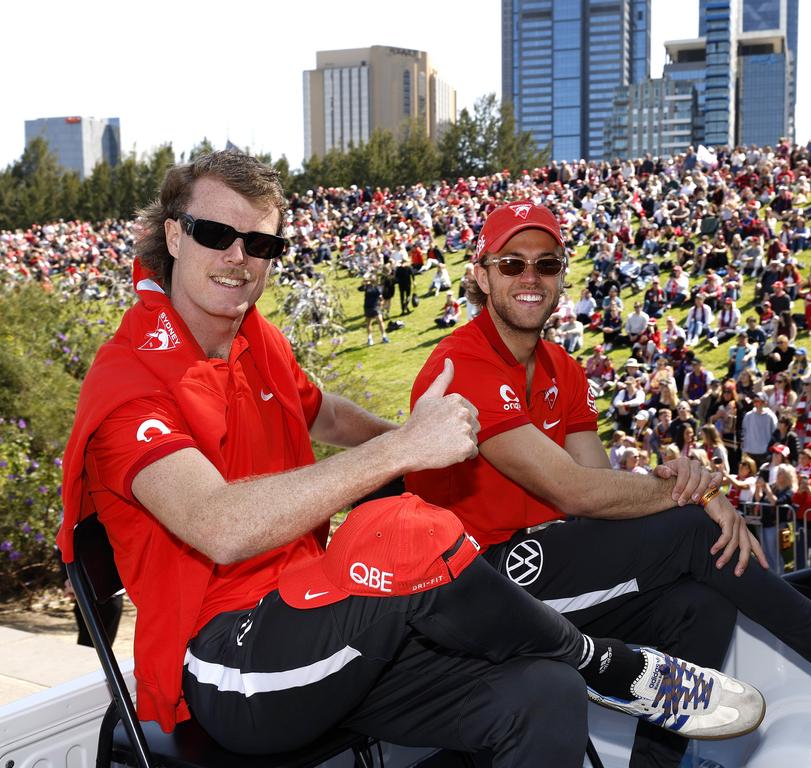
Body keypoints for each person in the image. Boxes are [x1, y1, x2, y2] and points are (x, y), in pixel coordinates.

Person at [56, 154, 759, 767]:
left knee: (541, 694)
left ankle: (582, 669)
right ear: (175, 235)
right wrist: (402, 449)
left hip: (318, 615)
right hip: (226, 664)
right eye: (217, 234)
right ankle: (605, 662)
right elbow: (217, 525)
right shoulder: (127, 385)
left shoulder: (255, 338)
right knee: (395, 532)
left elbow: (320, 410)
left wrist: (407, 441)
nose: (239, 257)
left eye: (261, 241)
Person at [408, 201, 811, 766]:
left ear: (561, 277)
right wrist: (697, 493)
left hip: (538, 566)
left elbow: (602, 485)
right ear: (482, 275)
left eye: (546, 264)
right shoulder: (461, 364)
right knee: (696, 529)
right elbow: (574, 492)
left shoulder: (563, 367)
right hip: (465, 581)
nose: (530, 278)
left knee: (699, 606)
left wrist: (672, 481)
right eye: (511, 264)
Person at [359, 274, 389, 346]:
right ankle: (383, 337)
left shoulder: (368, 287)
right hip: (373, 307)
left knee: (370, 323)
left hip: (370, 307)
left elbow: (360, 288)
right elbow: (381, 298)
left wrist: (364, 282)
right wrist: (381, 304)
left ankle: (371, 339)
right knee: (379, 322)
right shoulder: (377, 288)